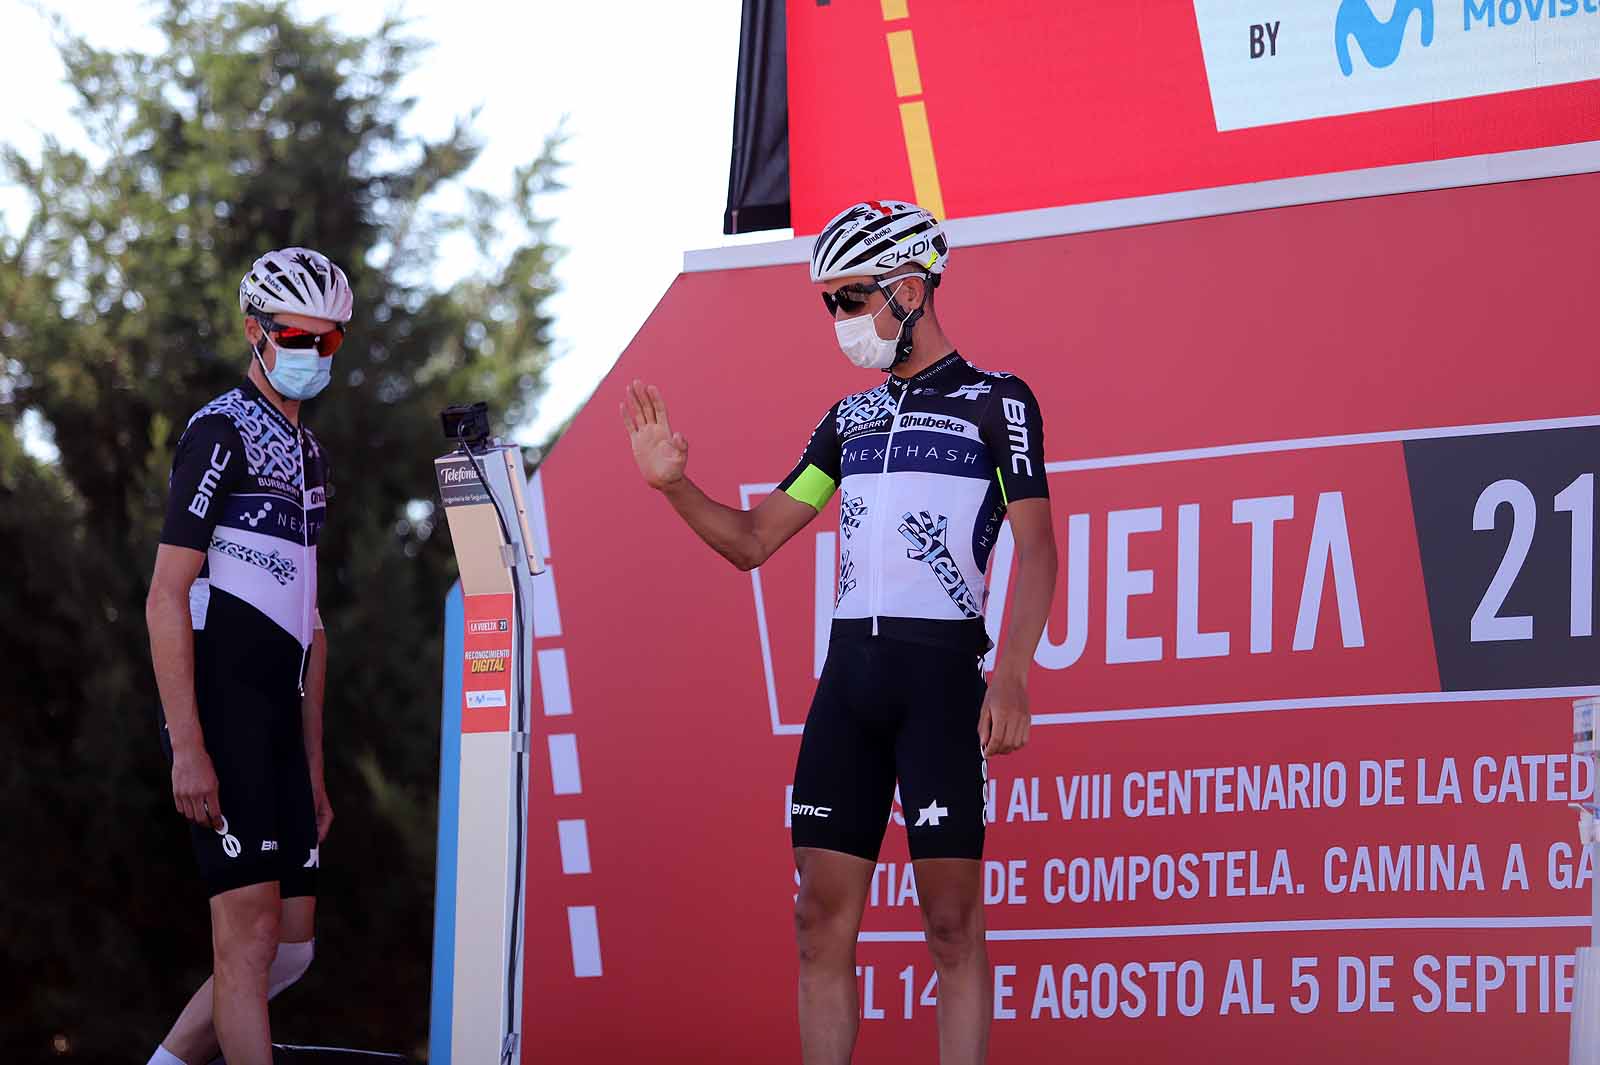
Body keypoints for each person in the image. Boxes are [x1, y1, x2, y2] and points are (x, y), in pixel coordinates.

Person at [621, 200, 1058, 1065]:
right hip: (849, 680)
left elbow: (1037, 544)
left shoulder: (996, 403)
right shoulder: (847, 422)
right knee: (818, 921)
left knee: (950, 923)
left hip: (940, 678)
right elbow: (752, 541)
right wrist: (674, 485)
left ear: (909, 288)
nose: (840, 320)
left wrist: (1012, 672)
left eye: (851, 298)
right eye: (830, 302)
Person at [144, 247, 352, 1065]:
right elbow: (165, 595)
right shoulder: (219, 432)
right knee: (249, 938)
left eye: (328, 342)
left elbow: (313, 626)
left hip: (279, 717)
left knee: (291, 947)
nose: (311, 353)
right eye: (297, 336)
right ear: (254, 332)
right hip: (221, 706)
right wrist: (187, 744)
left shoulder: (313, 458)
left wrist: (313, 763)